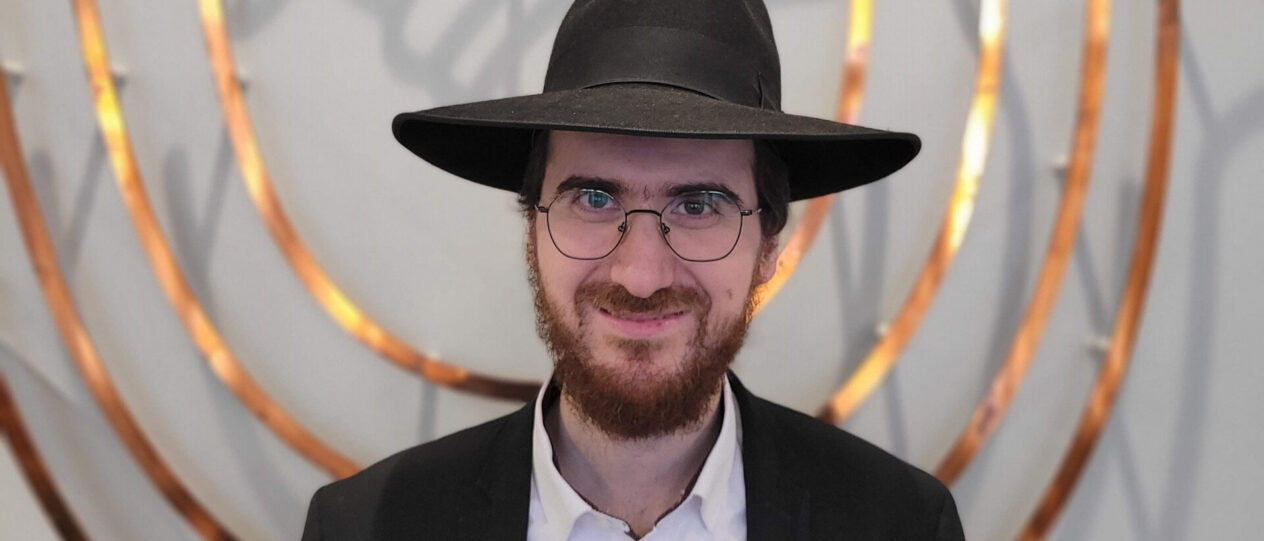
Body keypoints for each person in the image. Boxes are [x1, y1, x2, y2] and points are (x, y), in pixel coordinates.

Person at [302, 0, 965, 539]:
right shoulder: (369, 526)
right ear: (532, 228)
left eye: (697, 204)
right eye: (595, 199)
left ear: (768, 243)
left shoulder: (901, 524)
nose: (641, 275)